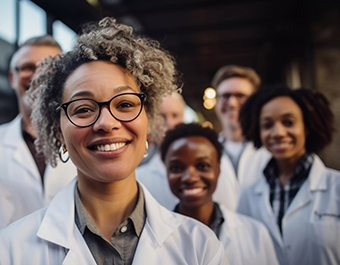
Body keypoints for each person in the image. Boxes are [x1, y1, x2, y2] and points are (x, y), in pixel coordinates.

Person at [0, 18, 228, 265]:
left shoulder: (201, 247)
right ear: (59, 132)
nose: (106, 123)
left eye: (125, 104)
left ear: (147, 119)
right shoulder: (11, 249)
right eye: (83, 109)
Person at [237, 85, 340, 265]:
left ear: (307, 126)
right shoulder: (248, 196)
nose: (278, 133)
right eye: (267, 125)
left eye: (289, 122)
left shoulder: (336, 187)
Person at [160, 123, 279, 265]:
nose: (190, 177)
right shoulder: (155, 238)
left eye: (203, 166)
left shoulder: (256, 234)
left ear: (218, 169)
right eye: (176, 167)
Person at [0, 35, 77, 227]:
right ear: (12, 77)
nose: (37, 77)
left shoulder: (86, 139)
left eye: (48, 68)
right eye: (27, 67)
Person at [212, 65, 271, 210]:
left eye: (240, 96)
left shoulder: (271, 150)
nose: (232, 103)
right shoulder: (208, 151)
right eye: (225, 96)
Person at [135, 91, 197, 209]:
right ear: (151, 121)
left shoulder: (207, 166)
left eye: (175, 115)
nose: (170, 123)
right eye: (162, 116)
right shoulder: (138, 176)